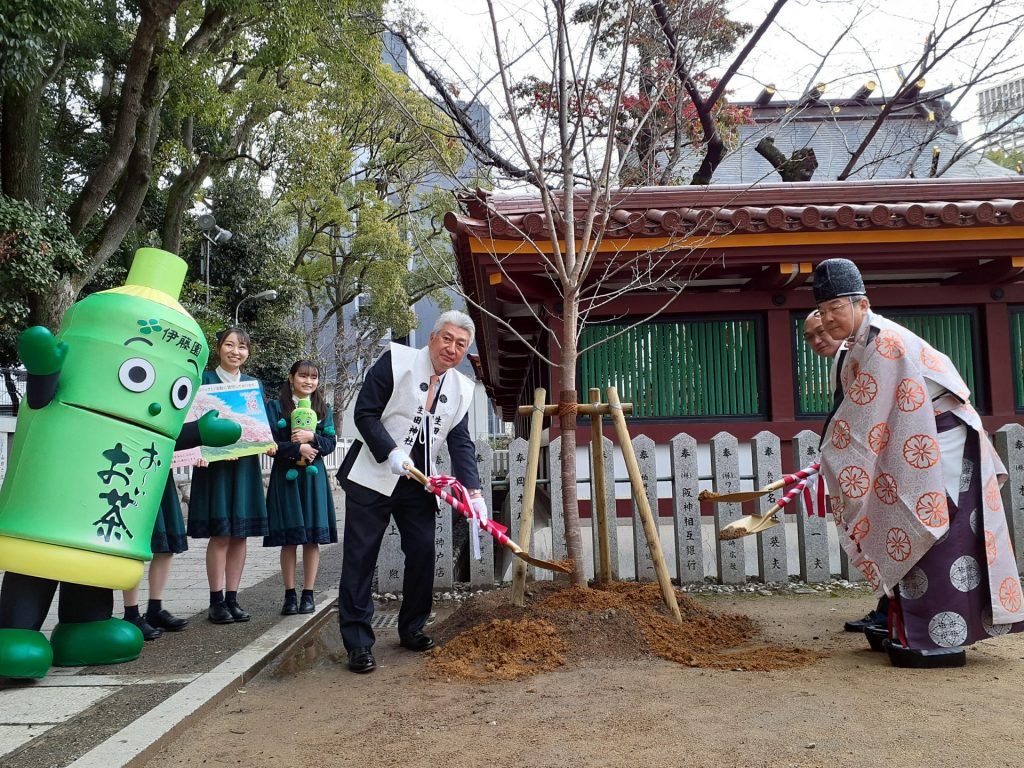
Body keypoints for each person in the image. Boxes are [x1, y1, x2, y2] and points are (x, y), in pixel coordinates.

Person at [813, 258, 1024, 666]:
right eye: (822, 310)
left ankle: (938, 640)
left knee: (935, 535)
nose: (828, 317)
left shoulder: (884, 342)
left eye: (836, 306)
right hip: (920, 439)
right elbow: (858, 416)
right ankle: (908, 630)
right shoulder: (861, 342)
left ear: (862, 303)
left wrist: (831, 454)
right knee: (906, 529)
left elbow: (862, 421)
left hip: (939, 446)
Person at [337, 311, 487, 674]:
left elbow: (459, 442)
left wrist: (475, 491)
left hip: (420, 481)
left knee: (422, 552)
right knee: (361, 558)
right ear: (432, 337)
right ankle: (358, 643)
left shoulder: (461, 388)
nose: (452, 348)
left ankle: (412, 627)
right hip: (373, 473)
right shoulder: (396, 360)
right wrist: (390, 451)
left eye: (460, 345)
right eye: (447, 339)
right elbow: (365, 414)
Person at [804, 310, 889, 633]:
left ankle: (891, 612)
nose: (817, 340)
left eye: (822, 331)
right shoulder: (845, 358)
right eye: (810, 336)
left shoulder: (866, 349)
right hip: (868, 459)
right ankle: (889, 609)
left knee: (883, 533)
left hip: (887, 459)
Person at [187, 327, 269, 624]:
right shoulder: (204, 381)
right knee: (221, 534)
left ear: (248, 352)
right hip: (216, 465)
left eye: (243, 347)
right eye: (230, 345)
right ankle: (216, 600)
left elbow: (259, 422)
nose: (236, 351)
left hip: (245, 464)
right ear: (219, 348)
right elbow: (191, 421)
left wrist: (268, 444)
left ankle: (233, 598)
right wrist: (199, 451)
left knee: (240, 534)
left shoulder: (251, 384)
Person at [264, 360, 338, 615]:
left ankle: (308, 593)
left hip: (313, 479)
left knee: (312, 539)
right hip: (286, 476)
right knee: (289, 539)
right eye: (303, 376)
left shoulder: (323, 408)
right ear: (291, 377)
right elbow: (268, 443)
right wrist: (297, 448)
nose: (308, 381)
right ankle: (289, 594)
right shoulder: (275, 407)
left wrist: (312, 439)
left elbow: (330, 442)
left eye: (313, 377)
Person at [122, 479, 191, 640]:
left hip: (161, 475)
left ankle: (155, 609)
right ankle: (131, 613)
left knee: (166, 548)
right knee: (135, 548)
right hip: (136, 476)